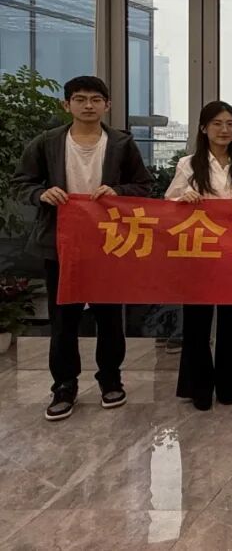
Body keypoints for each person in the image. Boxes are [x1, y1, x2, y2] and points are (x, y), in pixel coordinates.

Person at [13, 76, 153, 422]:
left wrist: (118, 192)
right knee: (64, 319)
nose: (88, 105)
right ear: (67, 105)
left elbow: (144, 186)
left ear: (107, 105)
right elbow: (21, 184)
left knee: (110, 317)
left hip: (109, 243)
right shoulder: (47, 142)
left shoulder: (121, 144)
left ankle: (111, 380)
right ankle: (64, 386)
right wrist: (41, 194)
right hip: (62, 243)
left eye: (95, 99)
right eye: (79, 99)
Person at [165, 100, 232, 411]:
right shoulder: (188, 164)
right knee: (197, 320)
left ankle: (230, 384)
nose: (224, 129)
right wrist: (184, 197)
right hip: (199, 250)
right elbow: (169, 201)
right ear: (204, 128)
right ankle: (199, 386)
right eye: (217, 123)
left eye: (230, 123)